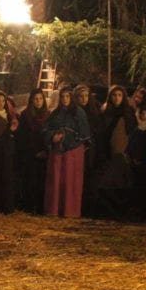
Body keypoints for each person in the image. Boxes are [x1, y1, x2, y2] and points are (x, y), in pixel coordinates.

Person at [43, 87, 91, 218]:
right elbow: (46, 129)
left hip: (73, 152)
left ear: (71, 97)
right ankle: (54, 210)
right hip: (57, 151)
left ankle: (70, 211)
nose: (65, 99)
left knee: (71, 181)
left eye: (67, 96)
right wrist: (53, 136)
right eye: (62, 97)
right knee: (56, 180)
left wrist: (69, 139)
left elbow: (84, 134)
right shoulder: (55, 114)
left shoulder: (78, 113)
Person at [90, 85, 137, 219]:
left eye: (119, 95)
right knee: (106, 184)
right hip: (107, 152)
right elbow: (101, 133)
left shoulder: (128, 113)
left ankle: (122, 214)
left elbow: (132, 134)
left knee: (122, 184)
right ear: (110, 97)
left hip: (122, 153)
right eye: (114, 95)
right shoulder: (106, 113)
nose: (117, 98)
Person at [16, 88, 50, 213]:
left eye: (41, 98)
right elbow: (22, 136)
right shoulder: (25, 115)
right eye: (36, 99)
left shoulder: (48, 115)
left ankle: (41, 207)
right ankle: (29, 206)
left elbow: (49, 134)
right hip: (29, 154)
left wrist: (45, 150)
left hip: (44, 153)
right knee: (30, 181)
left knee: (42, 182)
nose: (38, 101)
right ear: (31, 100)